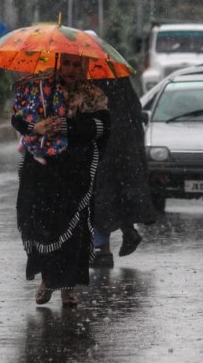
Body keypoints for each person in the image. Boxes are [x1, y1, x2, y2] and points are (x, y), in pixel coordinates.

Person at [11, 53, 110, 307]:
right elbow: (18, 118)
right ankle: (47, 279)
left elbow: (102, 128)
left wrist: (68, 126)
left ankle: (68, 286)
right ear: (57, 63)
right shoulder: (39, 90)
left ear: (84, 68)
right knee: (44, 227)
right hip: (42, 173)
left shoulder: (92, 95)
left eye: (77, 65)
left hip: (75, 174)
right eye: (66, 63)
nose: (71, 69)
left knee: (74, 230)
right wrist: (37, 128)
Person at [89, 76, 157, 268]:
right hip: (125, 146)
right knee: (117, 193)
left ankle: (103, 251)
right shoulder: (118, 77)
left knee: (101, 197)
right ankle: (126, 232)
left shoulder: (92, 83)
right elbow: (135, 109)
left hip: (103, 146)